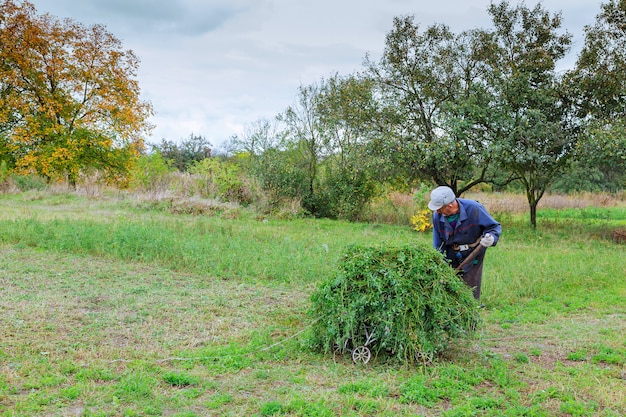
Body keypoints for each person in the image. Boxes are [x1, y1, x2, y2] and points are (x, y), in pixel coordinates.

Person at [427, 185, 502, 302]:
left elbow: (494, 226)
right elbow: (438, 244)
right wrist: (439, 265)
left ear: (450, 205)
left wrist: (491, 237)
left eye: (439, 208)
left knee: (470, 288)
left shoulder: (474, 208)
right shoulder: (437, 216)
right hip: (451, 253)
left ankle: (472, 312)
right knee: (449, 287)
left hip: (473, 253)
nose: (437, 211)